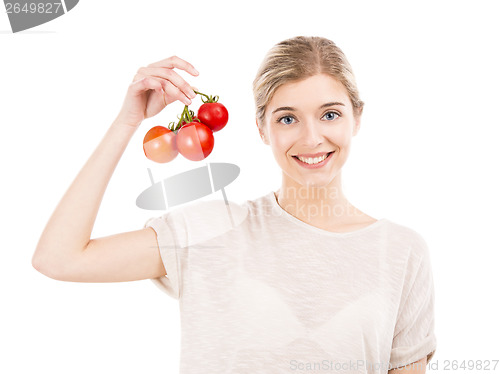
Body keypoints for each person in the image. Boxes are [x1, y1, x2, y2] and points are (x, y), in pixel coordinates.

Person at [32, 36, 437, 373]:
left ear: (357, 119)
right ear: (261, 128)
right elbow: (59, 258)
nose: (312, 138)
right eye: (287, 119)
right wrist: (127, 121)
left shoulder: (401, 252)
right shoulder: (211, 231)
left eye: (330, 114)